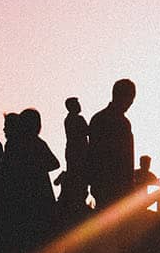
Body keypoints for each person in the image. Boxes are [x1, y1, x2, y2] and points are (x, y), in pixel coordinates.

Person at [87, 79, 137, 207]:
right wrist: (129, 184)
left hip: (100, 183)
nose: (131, 103)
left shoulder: (97, 119)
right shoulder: (122, 123)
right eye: (130, 98)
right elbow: (126, 157)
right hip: (117, 185)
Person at [4, 107, 60, 221]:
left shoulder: (14, 144)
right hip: (40, 195)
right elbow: (54, 163)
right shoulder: (37, 143)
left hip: (23, 196)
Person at [58, 97, 90, 212]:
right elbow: (88, 131)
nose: (79, 106)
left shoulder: (68, 119)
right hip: (79, 153)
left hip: (72, 152)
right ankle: (79, 203)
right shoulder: (77, 119)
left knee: (75, 176)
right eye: (77, 104)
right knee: (80, 178)